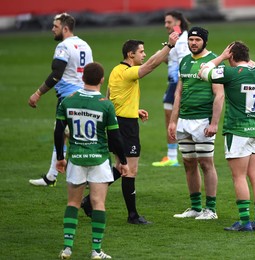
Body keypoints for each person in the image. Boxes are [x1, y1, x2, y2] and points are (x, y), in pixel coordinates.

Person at [81, 32, 179, 224]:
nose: (143, 55)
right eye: (141, 52)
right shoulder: (127, 72)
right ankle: (132, 215)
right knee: (130, 170)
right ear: (130, 54)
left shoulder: (116, 71)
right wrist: (169, 46)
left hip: (118, 122)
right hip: (126, 127)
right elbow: (150, 65)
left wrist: (134, 110)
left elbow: (111, 97)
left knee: (120, 167)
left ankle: (89, 201)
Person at [55, 62, 129, 259]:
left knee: (72, 202)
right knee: (98, 203)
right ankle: (96, 250)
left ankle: (67, 248)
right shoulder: (105, 104)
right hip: (99, 158)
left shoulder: (68, 102)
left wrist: (61, 158)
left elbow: (58, 131)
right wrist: (123, 160)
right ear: (102, 80)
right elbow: (115, 138)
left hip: (76, 158)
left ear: (82, 78)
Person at [199, 41, 255, 231]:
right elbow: (249, 63)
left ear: (232, 57)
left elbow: (203, 72)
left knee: (239, 176)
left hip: (238, 130)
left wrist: (221, 57)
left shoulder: (230, 73)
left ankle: (245, 222)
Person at [28, 12, 93, 186]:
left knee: (64, 133)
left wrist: (38, 93)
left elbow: (56, 74)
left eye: (55, 26)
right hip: (85, 94)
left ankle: (78, 177)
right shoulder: (85, 45)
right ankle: (52, 176)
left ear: (65, 28)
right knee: (72, 134)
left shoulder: (63, 47)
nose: (52, 30)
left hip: (68, 97)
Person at [168, 27, 224, 220]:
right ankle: (195, 207)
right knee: (188, 162)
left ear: (204, 42)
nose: (193, 43)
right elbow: (178, 93)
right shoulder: (184, 61)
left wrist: (214, 123)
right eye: (191, 39)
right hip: (184, 120)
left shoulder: (213, 62)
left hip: (203, 120)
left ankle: (211, 209)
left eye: (197, 40)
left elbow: (219, 94)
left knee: (206, 163)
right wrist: (173, 121)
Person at [152, 10, 191, 167]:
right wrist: (165, 58)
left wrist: (179, 87)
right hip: (176, 82)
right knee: (176, 118)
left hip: (177, 83)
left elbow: (184, 63)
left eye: (169, 22)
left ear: (178, 23)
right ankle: (176, 155)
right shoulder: (179, 37)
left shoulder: (181, 40)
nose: (166, 25)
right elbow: (176, 61)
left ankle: (172, 156)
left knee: (171, 118)